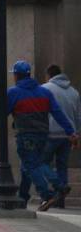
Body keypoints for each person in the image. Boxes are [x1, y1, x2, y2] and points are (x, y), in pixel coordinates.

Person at [7, 60, 77, 211]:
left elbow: (3, 113)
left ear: (16, 76)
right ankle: (25, 196)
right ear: (29, 74)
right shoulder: (44, 92)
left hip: (25, 134)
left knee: (30, 165)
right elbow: (58, 113)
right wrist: (71, 131)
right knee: (36, 163)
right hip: (43, 135)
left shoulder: (13, 92)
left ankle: (49, 193)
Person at [36, 64, 81, 208]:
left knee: (41, 162)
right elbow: (78, 116)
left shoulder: (45, 88)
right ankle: (60, 201)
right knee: (62, 166)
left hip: (50, 133)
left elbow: (40, 111)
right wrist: (76, 135)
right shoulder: (74, 92)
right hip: (68, 135)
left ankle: (58, 188)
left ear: (48, 75)